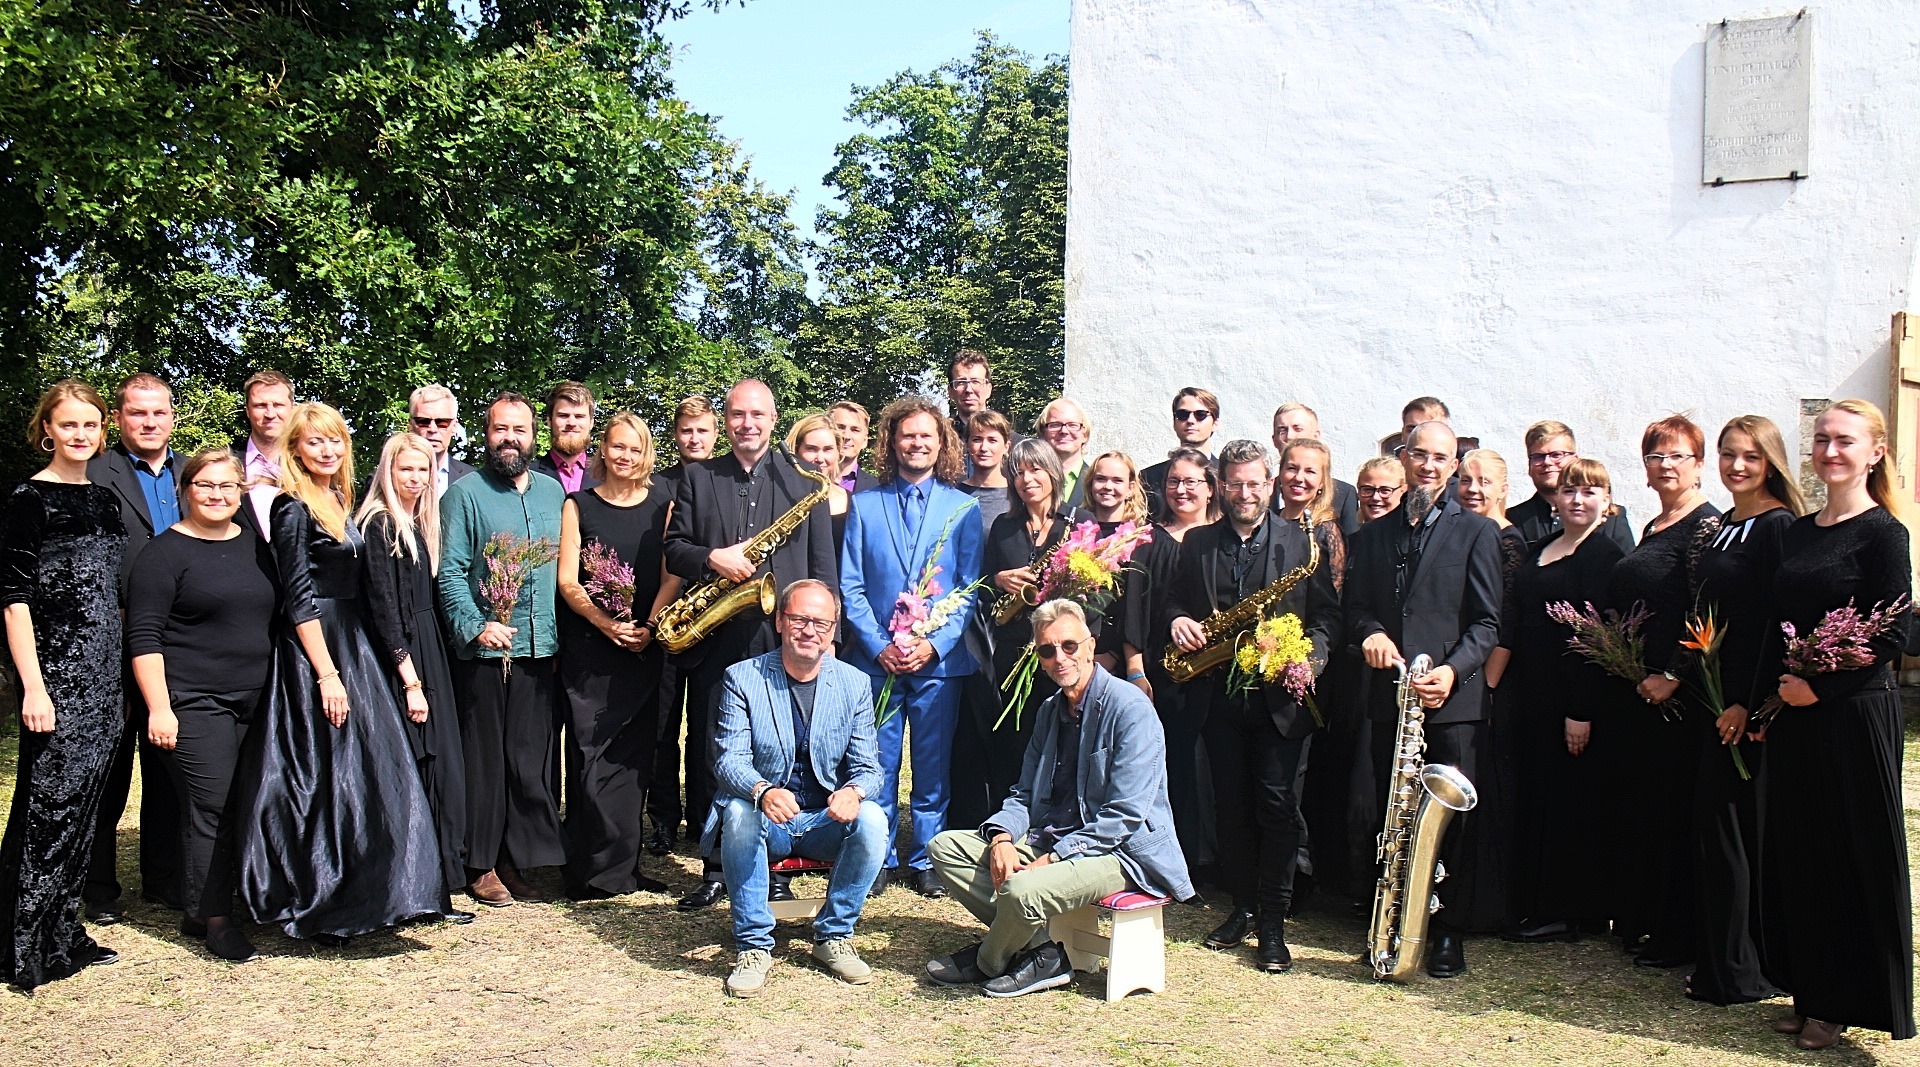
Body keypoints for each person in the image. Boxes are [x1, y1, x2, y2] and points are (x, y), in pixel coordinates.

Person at [230, 402, 442, 941]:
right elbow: (298, 599)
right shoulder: (291, 508)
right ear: (295, 449)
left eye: (336, 442)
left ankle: (378, 892)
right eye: (315, 442)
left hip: (355, 644)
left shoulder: (338, 500)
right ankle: (319, 896)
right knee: (320, 779)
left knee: (369, 777)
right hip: (315, 653)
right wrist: (326, 674)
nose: (327, 451)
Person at [926, 599, 1195, 998]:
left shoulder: (1131, 709)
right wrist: (1001, 838)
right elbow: (1024, 794)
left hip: (1121, 853)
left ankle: (988, 959)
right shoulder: (1051, 710)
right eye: (1047, 650)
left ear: (1090, 645)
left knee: (1019, 890)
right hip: (1051, 837)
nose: (1059, 658)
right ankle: (1042, 954)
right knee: (945, 847)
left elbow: (1123, 817)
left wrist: (1053, 858)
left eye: (1069, 645)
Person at [1760, 400, 1913, 1048]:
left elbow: (1899, 629)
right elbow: (1779, 622)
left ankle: (1845, 1001)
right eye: (1822, 439)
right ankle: (1810, 991)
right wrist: (1774, 699)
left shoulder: (1884, 533)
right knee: (1800, 854)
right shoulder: (1798, 530)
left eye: (1845, 441)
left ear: (1875, 451)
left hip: (1852, 715)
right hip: (1796, 713)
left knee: (1850, 858)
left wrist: (1821, 687)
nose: (1830, 451)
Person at [664, 379, 838, 909]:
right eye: (737, 414)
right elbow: (674, 549)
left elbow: (822, 567)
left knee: (780, 747)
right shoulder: (698, 476)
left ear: (773, 417)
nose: (747, 424)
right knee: (711, 745)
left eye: (757, 414)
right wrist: (712, 558)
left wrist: (828, 640)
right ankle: (714, 864)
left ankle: (776, 864)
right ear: (727, 419)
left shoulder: (804, 483)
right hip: (717, 634)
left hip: (783, 637)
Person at [1166, 439, 1338, 972]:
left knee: (1278, 809)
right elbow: (1173, 601)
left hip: (1281, 700)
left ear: (1270, 484)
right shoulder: (1196, 543)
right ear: (1221, 486)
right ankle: (1241, 906)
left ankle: (1273, 921)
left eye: (1254, 483)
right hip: (1218, 698)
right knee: (1232, 808)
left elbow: (1328, 619)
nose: (1245, 492)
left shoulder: (1303, 543)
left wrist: (1310, 661)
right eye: (1235, 483)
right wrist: (1176, 619)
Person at [1345, 420, 1502, 978]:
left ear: (1454, 463)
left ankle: (1447, 931)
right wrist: (1370, 633)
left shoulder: (1479, 533)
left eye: (1441, 457)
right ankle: (1389, 922)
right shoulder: (1372, 536)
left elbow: (1487, 624)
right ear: (1405, 457)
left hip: (1450, 700)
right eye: (1421, 455)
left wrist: (1453, 672)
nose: (1430, 465)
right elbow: (1357, 609)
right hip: (1391, 699)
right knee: (1390, 813)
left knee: (1449, 822)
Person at [126, 446, 278, 962]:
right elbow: (143, 636)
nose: (216, 495)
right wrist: (159, 708)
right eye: (205, 486)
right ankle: (212, 918)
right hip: (194, 701)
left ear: (241, 491)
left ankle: (219, 899)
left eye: (227, 486)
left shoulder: (255, 546)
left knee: (244, 801)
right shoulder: (164, 553)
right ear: (185, 491)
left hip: (255, 700)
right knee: (211, 806)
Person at [0, 381, 127, 990]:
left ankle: (61, 932)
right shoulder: (28, 498)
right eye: (68, 425)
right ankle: (23, 941)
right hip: (55, 677)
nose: (80, 435)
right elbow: (14, 602)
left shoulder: (104, 500)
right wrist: (33, 687)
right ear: (46, 429)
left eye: (91, 425)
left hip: (106, 676)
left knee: (86, 809)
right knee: (46, 809)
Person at [710, 580, 889, 998]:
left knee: (874, 819)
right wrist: (762, 790)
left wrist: (854, 793)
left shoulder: (854, 683)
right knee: (737, 813)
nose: (810, 631)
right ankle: (753, 946)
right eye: (800, 619)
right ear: (779, 621)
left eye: (821, 623)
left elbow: (869, 768)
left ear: (833, 630)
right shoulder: (742, 678)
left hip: (823, 820)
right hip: (766, 821)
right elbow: (728, 759)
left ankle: (833, 936)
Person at [840, 396, 986, 898]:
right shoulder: (864, 504)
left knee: (932, 765)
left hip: (936, 665)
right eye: (908, 435)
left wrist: (935, 646)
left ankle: (926, 856)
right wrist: (879, 645)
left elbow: (970, 586)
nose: (917, 443)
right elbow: (851, 586)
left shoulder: (963, 508)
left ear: (941, 441)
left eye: (927, 435)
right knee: (875, 765)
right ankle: (875, 853)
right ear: (892, 442)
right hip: (875, 664)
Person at [1685, 416, 1803, 1006]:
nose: (1737, 466)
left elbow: (1770, 628)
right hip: (1712, 696)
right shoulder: (1725, 523)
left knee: (1739, 837)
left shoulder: (1778, 525)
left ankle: (1742, 969)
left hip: (1746, 707)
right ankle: (1721, 959)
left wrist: (1747, 704)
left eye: (1751, 457)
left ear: (1771, 462)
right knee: (1716, 833)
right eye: (1729, 455)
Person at [438, 392, 569, 907]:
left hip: (541, 650)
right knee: (485, 762)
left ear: (533, 435)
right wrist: (476, 626)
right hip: (487, 654)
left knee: (527, 760)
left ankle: (516, 857)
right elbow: (449, 573)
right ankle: (480, 861)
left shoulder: (553, 494)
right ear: (485, 434)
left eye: (519, 429)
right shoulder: (465, 496)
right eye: (499, 429)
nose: (509, 438)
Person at [1608, 415, 1721, 970]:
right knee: (1645, 808)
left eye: (1678, 456)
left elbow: (1707, 608)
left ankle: (1678, 932)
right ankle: (1647, 919)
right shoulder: (1654, 526)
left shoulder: (1706, 528)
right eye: (1656, 456)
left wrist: (1674, 673)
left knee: (1676, 811)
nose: (1666, 465)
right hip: (1641, 688)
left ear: (1699, 465)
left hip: (1679, 694)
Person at [1505, 459, 1629, 945]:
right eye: (1570, 490)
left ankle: (1574, 910)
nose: (1578, 500)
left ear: (1607, 501)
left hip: (1574, 701)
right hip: (1532, 694)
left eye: (1590, 491)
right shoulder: (1539, 549)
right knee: (1537, 795)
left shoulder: (1606, 556)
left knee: (1570, 801)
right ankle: (1536, 901)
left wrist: (1582, 711)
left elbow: (1601, 643)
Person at [555, 412, 679, 899]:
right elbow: (567, 580)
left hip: (644, 648)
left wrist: (648, 626)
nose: (626, 456)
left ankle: (624, 866)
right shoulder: (578, 505)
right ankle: (587, 869)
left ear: (646, 453)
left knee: (633, 760)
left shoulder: (663, 505)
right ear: (602, 450)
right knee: (589, 755)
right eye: (617, 446)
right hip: (592, 650)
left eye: (635, 448)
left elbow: (672, 576)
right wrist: (605, 624)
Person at [357, 432, 472, 917]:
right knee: (419, 769)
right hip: (406, 656)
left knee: (438, 768)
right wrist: (410, 681)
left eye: (423, 470)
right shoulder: (381, 525)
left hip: (428, 647)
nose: (416, 478)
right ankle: (415, 888)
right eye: (406, 469)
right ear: (388, 471)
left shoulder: (413, 522)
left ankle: (431, 884)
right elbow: (384, 609)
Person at [84, 372, 184, 923]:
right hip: (114, 643)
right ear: (119, 420)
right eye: (138, 413)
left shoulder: (189, 474)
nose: (150, 422)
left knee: (169, 765)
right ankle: (98, 885)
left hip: (177, 645)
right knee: (111, 767)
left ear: (172, 416)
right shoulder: (97, 475)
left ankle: (163, 880)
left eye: (159, 412)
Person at [950, 438, 1086, 832]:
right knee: (1016, 741)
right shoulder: (1004, 527)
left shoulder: (1074, 525)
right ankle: (1010, 823)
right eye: (1019, 472)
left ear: (1053, 473)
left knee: (1060, 741)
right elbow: (982, 586)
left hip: (1057, 652)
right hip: (1011, 651)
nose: (1028, 479)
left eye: (1036, 469)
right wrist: (998, 578)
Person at [1121, 447, 1218, 877]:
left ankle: (1210, 859)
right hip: (1162, 673)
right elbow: (1133, 612)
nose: (1181, 490)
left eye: (1191, 481)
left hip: (1214, 670)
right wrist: (1137, 668)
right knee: (1169, 765)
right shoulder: (1147, 539)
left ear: (1211, 488)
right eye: (1174, 481)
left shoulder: (1222, 540)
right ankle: (1169, 856)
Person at [646, 394, 719, 856]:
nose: (694, 438)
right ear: (675, 435)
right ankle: (663, 819)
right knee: (661, 726)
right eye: (686, 430)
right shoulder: (656, 487)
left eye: (703, 430)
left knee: (707, 729)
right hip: (669, 620)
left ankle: (702, 818)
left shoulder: (725, 481)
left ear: (716, 434)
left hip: (714, 622)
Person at [1507, 420, 1636, 553]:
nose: (1547, 462)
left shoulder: (1612, 518)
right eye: (1538, 457)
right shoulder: (1513, 519)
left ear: (1575, 460)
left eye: (1556, 455)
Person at [1271, 403, 1359, 534]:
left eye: (1298, 429)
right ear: (1274, 440)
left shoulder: (1343, 494)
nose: (1289, 436)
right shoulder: (1260, 492)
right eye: (1282, 430)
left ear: (1316, 436)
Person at [232, 369, 294, 538]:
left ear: (292, 408)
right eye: (260, 405)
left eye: (278, 405)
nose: (270, 414)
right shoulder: (228, 465)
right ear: (247, 410)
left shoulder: (310, 463)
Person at [1139, 388, 1219, 516]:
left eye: (1200, 415)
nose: (1190, 420)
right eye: (1182, 415)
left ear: (1215, 423)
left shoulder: (1228, 476)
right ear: (1174, 423)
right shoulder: (1149, 478)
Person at [786, 413, 852, 548]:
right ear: (795, 451)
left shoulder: (854, 502)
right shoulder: (781, 498)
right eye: (811, 449)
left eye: (828, 449)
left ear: (838, 451)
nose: (820, 458)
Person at [531, 381, 600, 495]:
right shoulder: (529, 476)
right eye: (563, 416)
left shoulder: (607, 475)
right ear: (549, 421)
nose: (572, 423)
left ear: (591, 423)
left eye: (579, 416)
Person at [408, 384, 474, 497]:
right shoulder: (386, 479)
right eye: (423, 422)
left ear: (454, 427)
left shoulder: (473, 480)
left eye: (442, 423)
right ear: (411, 426)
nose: (432, 429)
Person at [960, 409, 1014, 534]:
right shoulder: (953, 495)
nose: (984, 448)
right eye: (977, 439)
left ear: (1006, 446)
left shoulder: (1018, 495)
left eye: (992, 440)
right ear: (967, 445)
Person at [1035, 397, 1093, 511]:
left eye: (1073, 425)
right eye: (1055, 424)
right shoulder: (1028, 480)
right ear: (1042, 433)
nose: (1064, 431)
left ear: (1085, 434)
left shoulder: (1095, 482)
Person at [828, 400, 879, 493]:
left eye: (855, 430)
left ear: (865, 440)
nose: (846, 436)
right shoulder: (804, 481)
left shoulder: (878, 489)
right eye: (840, 427)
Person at [1353, 457, 1406, 524]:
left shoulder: (1416, 533)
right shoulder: (1355, 534)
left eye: (1385, 490)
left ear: (1403, 491)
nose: (1375, 497)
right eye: (1368, 489)